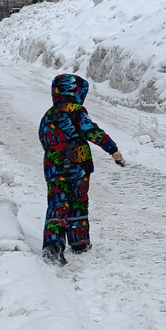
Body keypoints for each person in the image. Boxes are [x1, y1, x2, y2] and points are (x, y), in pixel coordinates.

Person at [38, 73, 124, 266]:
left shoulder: (49, 115)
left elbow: (43, 137)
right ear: (76, 92)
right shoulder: (76, 111)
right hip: (78, 168)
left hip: (54, 168)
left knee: (57, 205)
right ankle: (79, 242)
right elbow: (91, 131)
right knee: (78, 202)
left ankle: (52, 246)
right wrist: (113, 149)